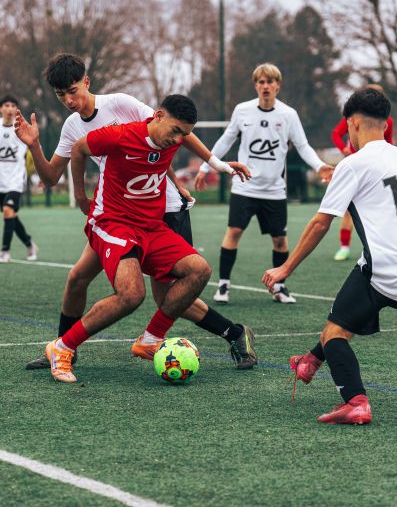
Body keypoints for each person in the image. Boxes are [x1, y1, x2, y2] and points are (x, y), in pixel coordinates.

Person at [16, 53, 257, 372]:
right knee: (78, 278)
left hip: (162, 208)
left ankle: (233, 333)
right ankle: (63, 349)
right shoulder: (72, 128)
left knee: (167, 294)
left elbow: (171, 133)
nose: (69, 100)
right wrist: (34, 146)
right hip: (119, 213)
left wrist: (212, 165)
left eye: (73, 91)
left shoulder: (120, 104)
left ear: (87, 82)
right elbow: (50, 178)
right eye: (61, 95)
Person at [262, 86, 397, 425]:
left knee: (335, 334)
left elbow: (320, 223)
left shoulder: (353, 164)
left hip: (385, 268)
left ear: (354, 123)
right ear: (386, 124)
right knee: (345, 313)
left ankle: (356, 402)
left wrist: (286, 267)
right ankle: (310, 362)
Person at [45, 94, 212, 382]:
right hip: (112, 223)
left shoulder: (172, 141)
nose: (178, 140)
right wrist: (80, 196)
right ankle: (62, 347)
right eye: (175, 131)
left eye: (183, 135)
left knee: (200, 270)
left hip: (151, 227)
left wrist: (215, 164)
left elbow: (174, 150)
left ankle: (151, 338)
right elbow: (79, 148)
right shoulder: (120, 135)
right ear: (158, 116)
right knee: (131, 294)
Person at [195, 63, 333, 304]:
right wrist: (205, 167)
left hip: (274, 190)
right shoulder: (242, 111)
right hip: (244, 187)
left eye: (270, 81)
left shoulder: (288, 115)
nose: (265, 86)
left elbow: (303, 146)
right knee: (234, 232)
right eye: (261, 82)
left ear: (278, 85)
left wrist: (319, 165)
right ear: (256, 86)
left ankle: (279, 287)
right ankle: (224, 285)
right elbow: (226, 140)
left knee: (279, 239)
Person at [330, 84, 393, 262]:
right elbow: (336, 134)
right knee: (348, 210)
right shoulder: (353, 117)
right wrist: (344, 149)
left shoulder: (387, 121)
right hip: (356, 167)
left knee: (382, 207)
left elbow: (388, 142)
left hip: (378, 168)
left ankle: (383, 247)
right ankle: (344, 247)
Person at [0, 95, 38, 263]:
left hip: (15, 181)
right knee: (11, 216)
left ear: (16, 110)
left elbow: (35, 148)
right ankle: (29, 244)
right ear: (1, 108)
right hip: (1, 181)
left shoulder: (21, 128)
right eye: (6, 105)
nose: (9, 108)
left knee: (8, 211)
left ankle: (5, 252)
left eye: (13, 105)